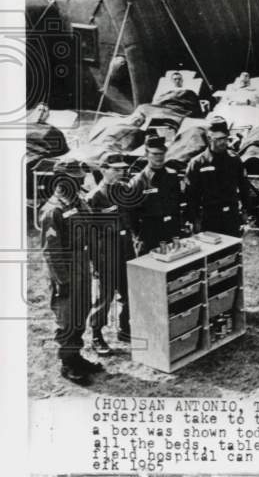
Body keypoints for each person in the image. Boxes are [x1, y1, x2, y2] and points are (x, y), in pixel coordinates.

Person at [39, 160, 104, 385]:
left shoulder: (78, 201)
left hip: (81, 265)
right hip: (66, 269)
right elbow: (51, 251)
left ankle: (76, 356)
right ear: (60, 180)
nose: (78, 181)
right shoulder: (52, 210)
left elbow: (88, 231)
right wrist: (62, 281)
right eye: (73, 178)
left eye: (79, 178)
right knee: (67, 318)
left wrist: (94, 262)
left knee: (82, 310)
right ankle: (68, 363)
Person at [85, 152, 133, 354]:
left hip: (126, 247)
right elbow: (90, 234)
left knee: (129, 290)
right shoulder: (95, 197)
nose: (121, 172)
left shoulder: (124, 189)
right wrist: (96, 261)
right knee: (105, 295)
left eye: (122, 169)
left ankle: (125, 327)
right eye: (116, 169)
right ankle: (97, 335)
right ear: (104, 170)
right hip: (107, 251)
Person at [185, 117, 251, 236]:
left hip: (231, 214)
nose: (223, 142)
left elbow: (244, 187)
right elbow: (191, 195)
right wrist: (194, 219)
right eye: (218, 139)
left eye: (225, 138)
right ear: (209, 138)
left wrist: (245, 211)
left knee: (233, 250)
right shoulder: (197, 163)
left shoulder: (234, 159)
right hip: (209, 216)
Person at [126, 132, 184, 255]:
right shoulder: (139, 181)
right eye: (155, 154)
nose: (159, 157)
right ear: (146, 154)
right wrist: (138, 235)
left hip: (172, 229)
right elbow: (131, 214)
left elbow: (178, 202)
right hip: (150, 234)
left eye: (162, 153)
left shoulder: (172, 176)